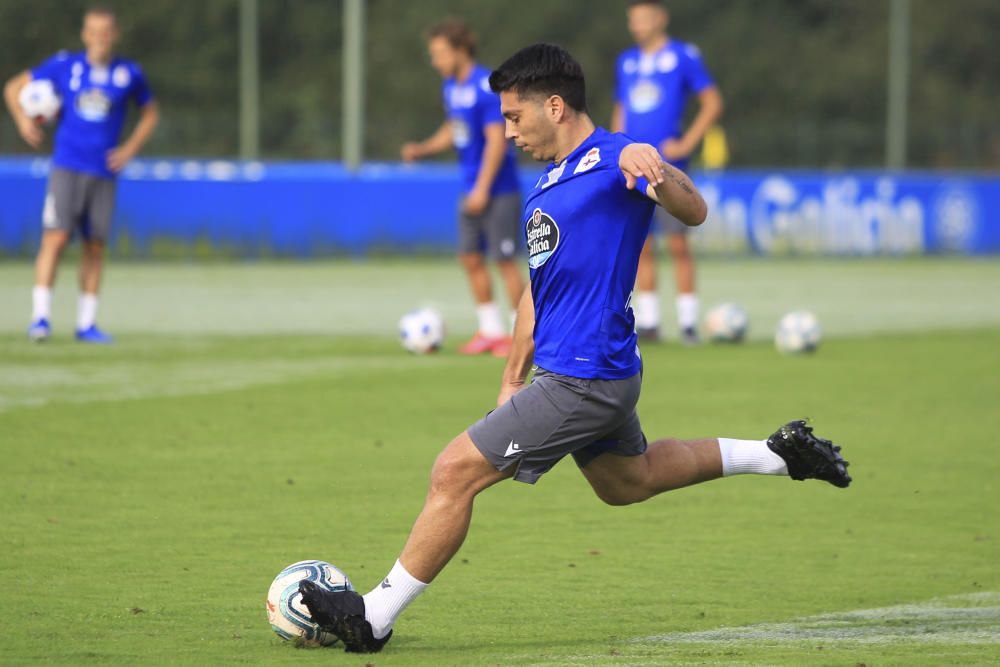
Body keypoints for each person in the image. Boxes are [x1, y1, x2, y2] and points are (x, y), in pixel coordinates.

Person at [301, 43, 850, 654]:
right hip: (590, 374)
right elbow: (538, 293)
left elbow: (693, 211)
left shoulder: (619, 157)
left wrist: (659, 170)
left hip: (583, 377)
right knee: (627, 482)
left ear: (555, 106)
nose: (508, 132)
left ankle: (372, 617)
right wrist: (512, 377)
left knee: (452, 472)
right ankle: (777, 455)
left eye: (514, 117)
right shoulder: (545, 184)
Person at [4, 5, 158, 344]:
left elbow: (150, 112)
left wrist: (130, 149)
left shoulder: (128, 74)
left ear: (115, 34)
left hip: (103, 171)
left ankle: (86, 324)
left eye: (106, 32)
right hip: (67, 166)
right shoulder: (64, 66)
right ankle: (40, 318)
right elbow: (13, 87)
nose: (99, 38)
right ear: (84, 35)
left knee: (95, 247)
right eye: (93, 31)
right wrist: (22, 119)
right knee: (55, 238)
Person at [401, 18, 525, 358]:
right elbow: (453, 129)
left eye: (440, 53)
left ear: (460, 51)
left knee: (504, 260)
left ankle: (522, 336)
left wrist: (483, 188)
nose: (435, 61)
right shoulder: (451, 87)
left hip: (497, 190)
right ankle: (490, 332)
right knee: (470, 257)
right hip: (471, 187)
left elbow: (497, 140)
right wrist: (424, 148)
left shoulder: (485, 86)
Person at [611, 0, 723, 344]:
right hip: (634, 165)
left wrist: (687, 142)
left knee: (677, 243)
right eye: (633, 21)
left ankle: (688, 322)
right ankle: (650, 322)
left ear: (661, 19)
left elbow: (712, 101)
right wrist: (617, 148)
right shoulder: (627, 62)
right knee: (641, 245)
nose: (637, 26)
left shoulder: (682, 56)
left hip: (667, 165)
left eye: (643, 19)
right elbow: (621, 108)